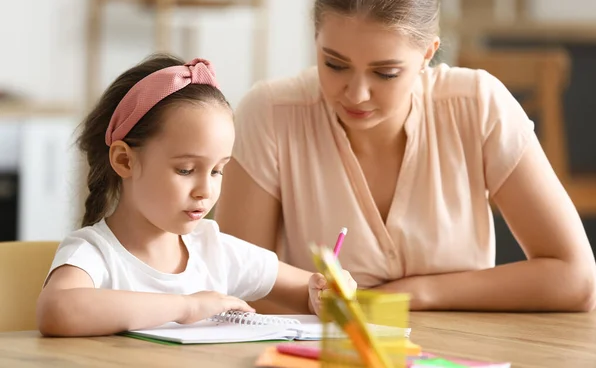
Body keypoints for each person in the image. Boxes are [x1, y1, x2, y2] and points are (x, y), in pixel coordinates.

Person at [215, 0, 596, 312]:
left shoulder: (477, 106)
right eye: (334, 64)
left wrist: (416, 293)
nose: (356, 94)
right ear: (316, 38)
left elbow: (576, 279)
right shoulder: (269, 114)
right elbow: (236, 288)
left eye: (385, 73)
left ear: (428, 54)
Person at [36, 54, 356, 337]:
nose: (206, 191)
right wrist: (186, 307)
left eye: (217, 171)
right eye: (186, 170)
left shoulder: (213, 250)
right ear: (124, 160)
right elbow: (58, 310)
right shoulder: (94, 253)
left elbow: (307, 289)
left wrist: (324, 295)